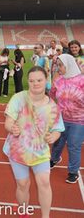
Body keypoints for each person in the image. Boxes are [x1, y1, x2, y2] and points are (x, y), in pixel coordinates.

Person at [3, 66, 64, 218]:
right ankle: (24, 213)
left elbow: (58, 129)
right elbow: (8, 122)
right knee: (23, 184)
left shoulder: (53, 106)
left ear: (46, 81)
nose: (35, 83)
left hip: (40, 151)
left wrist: (54, 137)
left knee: (44, 182)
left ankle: (45, 216)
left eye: (39, 80)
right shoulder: (18, 98)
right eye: (31, 81)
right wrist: (13, 128)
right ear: (28, 82)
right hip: (18, 150)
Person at [50, 54, 84, 184]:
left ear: (69, 65)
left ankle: (73, 171)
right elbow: (52, 94)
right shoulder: (59, 80)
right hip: (62, 119)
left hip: (79, 120)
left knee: (73, 145)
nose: (58, 68)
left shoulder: (82, 80)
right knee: (58, 142)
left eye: (60, 65)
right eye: (57, 65)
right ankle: (54, 159)